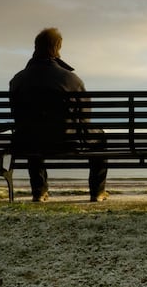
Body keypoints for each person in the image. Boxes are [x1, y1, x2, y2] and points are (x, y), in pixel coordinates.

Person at [9, 27, 108, 202]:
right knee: (100, 137)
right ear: (57, 48)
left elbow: (17, 116)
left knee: (32, 132)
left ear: (36, 47)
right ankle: (97, 192)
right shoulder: (71, 79)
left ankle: (39, 191)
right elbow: (85, 118)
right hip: (66, 141)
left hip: (29, 141)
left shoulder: (18, 79)